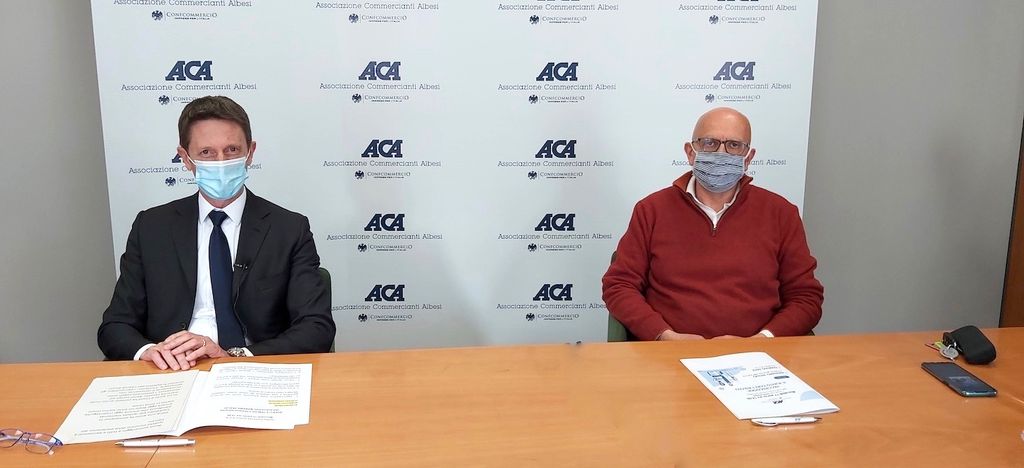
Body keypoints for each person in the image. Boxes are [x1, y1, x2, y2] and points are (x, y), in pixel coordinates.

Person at [98, 95, 335, 369]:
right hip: (173, 371)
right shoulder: (151, 228)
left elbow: (316, 327)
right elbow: (115, 326)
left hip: (253, 369)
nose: (221, 161)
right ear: (185, 159)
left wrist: (235, 355)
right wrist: (151, 352)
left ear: (250, 153)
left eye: (232, 149)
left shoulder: (289, 229)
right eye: (206, 153)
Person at [602, 107, 823, 341]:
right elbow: (619, 286)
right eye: (709, 143)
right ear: (690, 152)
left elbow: (805, 298)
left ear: (748, 158)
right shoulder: (651, 210)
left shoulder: (781, 213)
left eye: (734, 145)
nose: (721, 153)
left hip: (757, 354)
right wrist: (664, 337)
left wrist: (762, 340)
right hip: (668, 352)